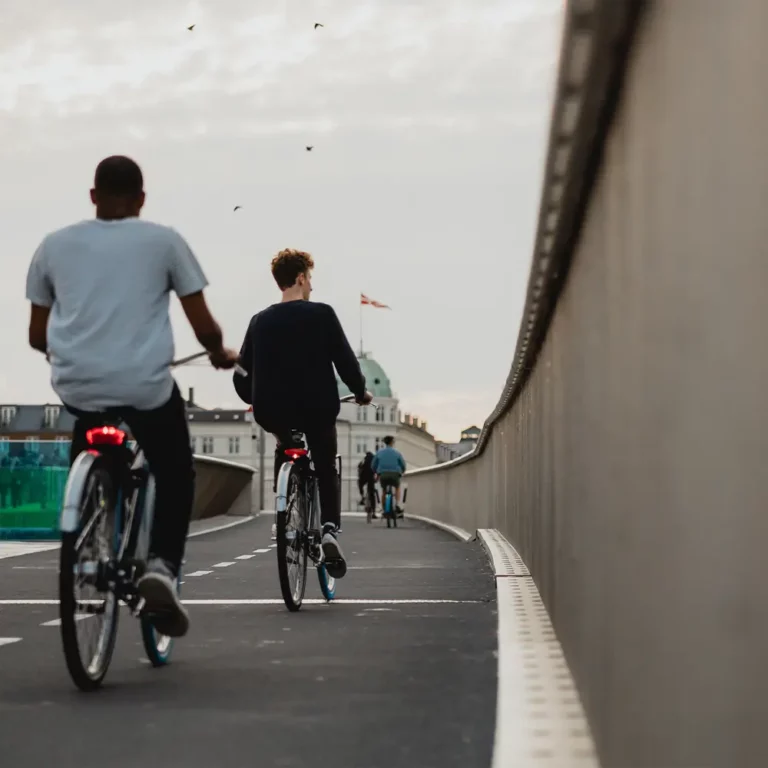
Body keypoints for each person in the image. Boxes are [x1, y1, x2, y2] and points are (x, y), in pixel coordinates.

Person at [25, 155, 239, 638]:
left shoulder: (53, 246)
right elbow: (202, 323)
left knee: (91, 436)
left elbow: (37, 335)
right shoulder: (163, 241)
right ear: (142, 199)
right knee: (175, 467)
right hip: (143, 385)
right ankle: (161, 566)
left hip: (79, 385)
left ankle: (87, 529)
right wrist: (218, 353)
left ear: (93, 196)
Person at [233, 248, 372, 578]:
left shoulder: (259, 321)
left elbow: (240, 374)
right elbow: (346, 364)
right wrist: (361, 391)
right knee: (325, 465)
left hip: (272, 409)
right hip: (317, 406)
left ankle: (283, 513)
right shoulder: (322, 314)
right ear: (300, 278)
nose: (311, 286)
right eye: (309, 278)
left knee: (286, 442)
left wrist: (252, 397)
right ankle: (328, 531)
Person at [372, 436, 406, 516]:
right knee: (397, 487)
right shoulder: (397, 453)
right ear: (392, 442)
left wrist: (376, 472)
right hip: (395, 474)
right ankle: (397, 505)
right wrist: (402, 472)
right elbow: (403, 465)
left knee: (384, 490)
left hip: (383, 474)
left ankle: (384, 509)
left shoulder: (379, 453)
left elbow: (373, 465)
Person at [357, 451, 377, 519]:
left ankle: (362, 496)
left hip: (363, 477)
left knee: (360, 484)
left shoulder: (364, 460)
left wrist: (359, 475)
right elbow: (376, 469)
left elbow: (359, 467)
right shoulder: (374, 460)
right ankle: (374, 512)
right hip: (371, 478)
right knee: (372, 494)